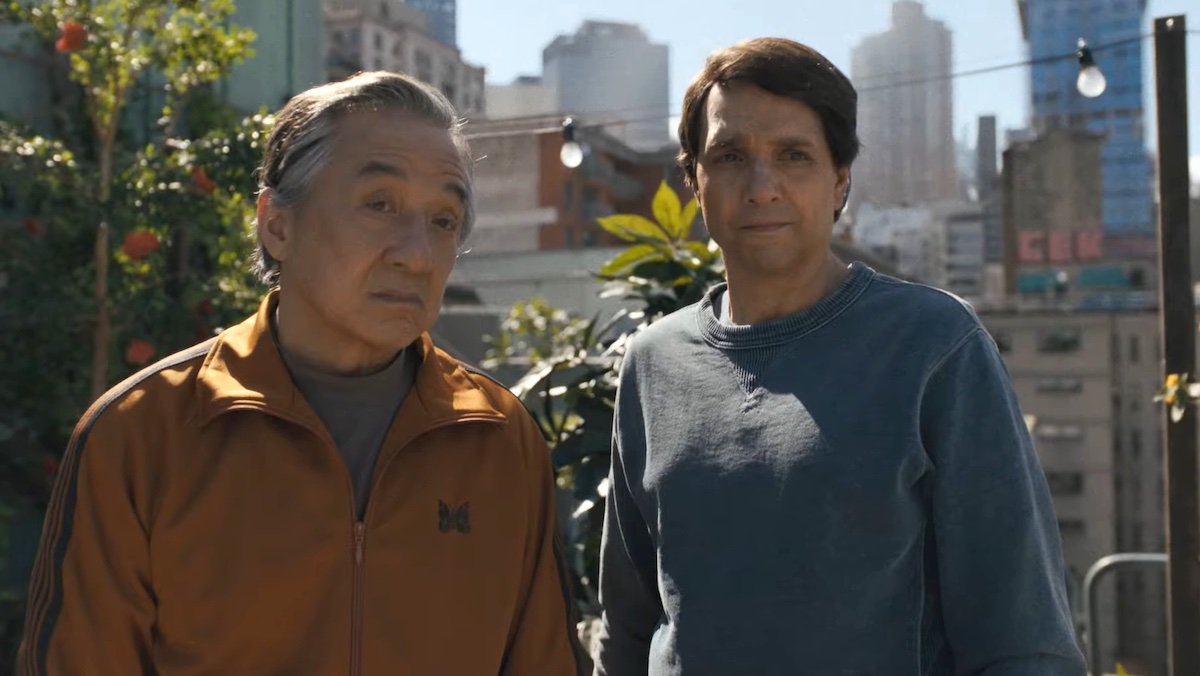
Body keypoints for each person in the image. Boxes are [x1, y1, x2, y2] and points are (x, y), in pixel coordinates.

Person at [18, 71, 584, 675]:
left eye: (443, 220)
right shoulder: (142, 434)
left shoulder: (499, 437)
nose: (417, 253)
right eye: (379, 204)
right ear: (277, 224)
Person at [593, 38, 1087, 675]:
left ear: (839, 182)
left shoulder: (933, 344)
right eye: (731, 155)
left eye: (794, 156)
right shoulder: (652, 362)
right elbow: (629, 626)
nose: (762, 186)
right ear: (694, 180)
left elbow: (1023, 638)